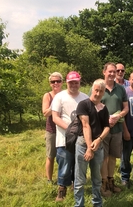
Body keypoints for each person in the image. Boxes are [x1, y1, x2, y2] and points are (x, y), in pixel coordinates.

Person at [52, 71, 89, 201]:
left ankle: (76, 186)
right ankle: (62, 189)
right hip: (64, 138)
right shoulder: (59, 97)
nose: (74, 85)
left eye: (76, 82)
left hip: (81, 138)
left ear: (79, 82)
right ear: (67, 82)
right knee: (65, 164)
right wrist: (70, 130)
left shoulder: (85, 98)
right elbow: (55, 117)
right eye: (71, 82)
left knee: (78, 164)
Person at [74, 79, 110, 207]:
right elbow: (85, 125)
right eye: (96, 90)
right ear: (92, 89)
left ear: (104, 92)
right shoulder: (83, 105)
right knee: (80, 179)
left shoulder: (104, 108)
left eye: (101, 91)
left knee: (97, 179)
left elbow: (107, 126)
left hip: (98, 145)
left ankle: (97, 203)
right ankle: (79, 205)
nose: (98, 93)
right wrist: (89, 148)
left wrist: (99, 140)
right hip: (84, 144)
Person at [99, 62, 129, 196]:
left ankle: (111, 182)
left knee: (112, 157)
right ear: (104, 72)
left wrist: (118, 116)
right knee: (103, 157)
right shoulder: (99, 86)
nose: (112, 74)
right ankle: (103, 183)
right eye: (109, 71)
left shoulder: (121, 89)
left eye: (114, 71)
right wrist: (106, 119)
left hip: (117, 129)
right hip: (102, 130)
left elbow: (126, 108)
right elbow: (92, 106)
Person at [42, 72, 63, 184]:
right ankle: (49, 179)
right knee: (51, 156)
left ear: (62, 82)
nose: (56, 83)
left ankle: (63, 178)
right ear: (50, 83)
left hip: (63, 130)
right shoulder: (47, 96)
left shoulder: (65, 94)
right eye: (53, 81)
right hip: (52, 130)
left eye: (58, 81)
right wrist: (54, 104)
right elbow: (45, 113)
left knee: (63, 157)